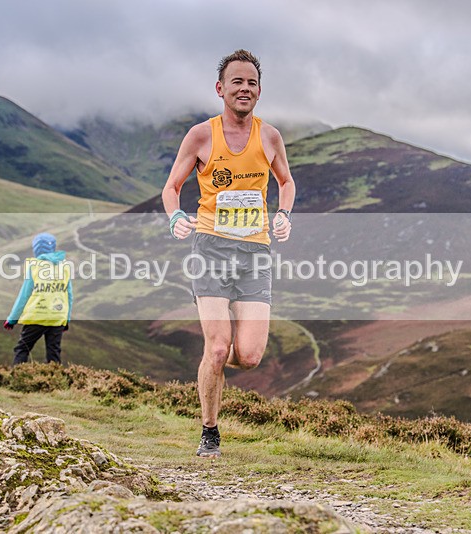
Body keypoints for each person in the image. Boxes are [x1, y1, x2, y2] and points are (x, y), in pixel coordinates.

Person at [161, 49, 296, 458]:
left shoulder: (270, 136)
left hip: (255, 251)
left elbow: (286, 182)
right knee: (219, 347)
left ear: (259, 91)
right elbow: (171, 188)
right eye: (237, 81)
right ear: (221, 89)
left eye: (252, 82)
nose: (245, 88)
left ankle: (211, 364)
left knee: (249, 356)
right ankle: (209, 430)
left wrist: (284, 214)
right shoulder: (202, 135)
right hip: (210, 247)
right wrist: (174, 218)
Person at [3, 233, 73, 365]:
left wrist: (12, 319)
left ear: (36, 249)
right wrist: (66, 320)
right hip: (57, 318)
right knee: (54, 353)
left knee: (22, 349)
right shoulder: (64, 267)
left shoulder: (34, 267)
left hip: (36, 316)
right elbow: (69, 295)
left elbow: (24, 295)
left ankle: (17, 380)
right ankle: (56, 382)